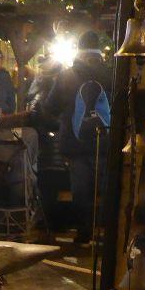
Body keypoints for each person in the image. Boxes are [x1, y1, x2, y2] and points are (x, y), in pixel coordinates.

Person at [44, 30, 113, 246]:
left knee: (81, 191)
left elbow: (50, 107)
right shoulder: (112, 74)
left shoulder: (67, 76)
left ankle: (85, 233)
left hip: (76, 144)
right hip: (106, 143)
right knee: (107, 188)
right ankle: (107, 234)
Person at [27, 59, 67, 233]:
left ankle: (48, 226)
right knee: (52, 189)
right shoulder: (57, 94)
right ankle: (51, 225)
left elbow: (37, 118)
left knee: (48, 189)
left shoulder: (40, 94)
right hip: (55, 149)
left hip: (47, 150)